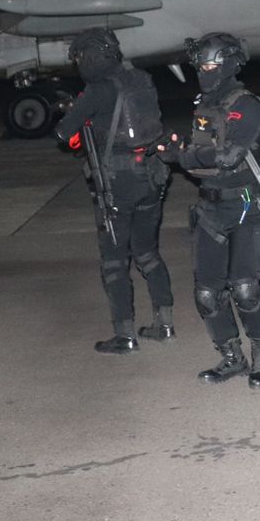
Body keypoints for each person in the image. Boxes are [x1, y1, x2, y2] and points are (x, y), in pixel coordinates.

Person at [164, 32, 260, 389]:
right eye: (200, 65)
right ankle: (231, 356)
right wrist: (173, 147)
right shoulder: (205, 106)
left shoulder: (247, 105)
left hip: (247, 206)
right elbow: (206, 151)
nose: (206, 70)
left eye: (213, 64)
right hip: (210, 208)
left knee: (245, 287)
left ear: (230, 63)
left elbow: (229, 157)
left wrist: (180, 156)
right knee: (206, 293)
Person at [54, 27, 175, 355]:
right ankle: (164, 323)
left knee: (114, 261)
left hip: (118, 183)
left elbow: (65, 134)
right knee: (148, 253)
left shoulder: (97, 90)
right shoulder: (141, 79)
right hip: (152, 174)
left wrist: (73, 111)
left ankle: (125, 335)